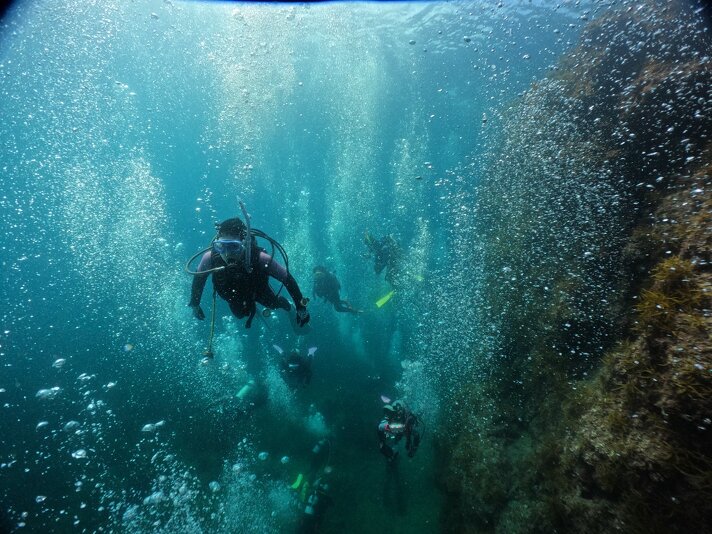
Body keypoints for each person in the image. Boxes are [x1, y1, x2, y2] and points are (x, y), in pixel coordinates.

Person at [188, 217, 310, 330]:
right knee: (240, 315)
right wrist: (195, 304)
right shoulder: (210, 258)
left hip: (258, 290)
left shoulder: (260, 258)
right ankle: (252, 308)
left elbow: (287, 279)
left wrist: (301, 307)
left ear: (244, 243)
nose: (227, 253)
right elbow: (199, 279)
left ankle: (289, 307)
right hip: (233, 295)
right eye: (221, 247)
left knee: (274, 304)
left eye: (233, 246)